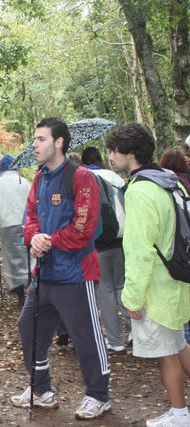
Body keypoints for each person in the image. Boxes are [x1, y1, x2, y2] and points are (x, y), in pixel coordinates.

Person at [10, 118, 111, 420]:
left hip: (76, 274)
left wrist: (49, 241)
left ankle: (98, 395)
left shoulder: (81, 178)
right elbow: (29, 218)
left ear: (59, 142)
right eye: (34, 139)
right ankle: (41, 390)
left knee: (85, 336)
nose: (34, 145)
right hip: (44, 274)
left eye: (40, 139)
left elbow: (84, 228)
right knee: (29, 328)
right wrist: (34, 236)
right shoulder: (40, 179)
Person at [106, 124, 190, 427]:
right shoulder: (170, 182)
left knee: (166, 353)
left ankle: (180, 414)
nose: (111, 157)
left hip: (156, 287)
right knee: (179, 344)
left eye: (113, 151)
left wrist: (131, 297)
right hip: (178, 280)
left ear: (129, 153)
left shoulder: (140, 190)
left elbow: (139, 249)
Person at [81, 146, 129, 353]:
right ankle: (137, 332)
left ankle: (116, 341)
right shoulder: (116, 178)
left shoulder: (84, 178)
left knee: (105, 292)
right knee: (121, 287)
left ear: (83, 162)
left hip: (98, 244)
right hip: (122, 239)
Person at [0, 154, 32, 307]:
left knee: (13, 260)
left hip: (8, 225)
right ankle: (32, 288)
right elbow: (32, 203)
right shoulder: (24, 182)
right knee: (28, 255)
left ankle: (20, 294)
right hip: (26, 224)